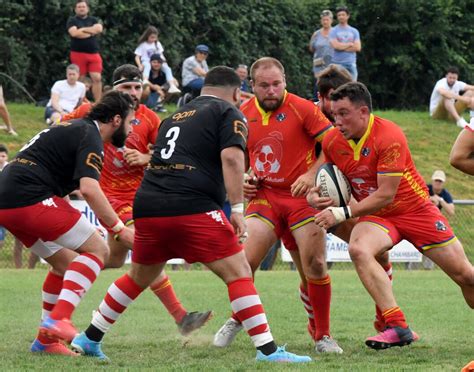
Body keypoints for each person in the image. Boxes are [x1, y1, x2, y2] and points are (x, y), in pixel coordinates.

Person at [70, 66, 311, 363]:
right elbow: (233, 158)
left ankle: (89, 338)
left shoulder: (174, 116)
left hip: (147, 203)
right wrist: (237, 208)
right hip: (191, 205)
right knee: (239, 272)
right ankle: (269, 351)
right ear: (237, 93)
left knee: (138, 276)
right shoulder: (227, 111)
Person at [310, 82, 474, 350]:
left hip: (415, 210)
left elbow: (386, 194)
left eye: (343, 114)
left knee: (466, 277)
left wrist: (343, 212)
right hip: (380, 216)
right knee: (359, 248)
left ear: (363, 112)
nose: (336, 121)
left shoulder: (388, 135)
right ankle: (397, 325)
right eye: (334, 114)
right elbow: (319, 180)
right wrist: (314, 197)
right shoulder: (332, 140)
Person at [62, 64, 211, 348]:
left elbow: (167, 154)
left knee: (114, 260)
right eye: (125, 88)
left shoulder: (150, 118)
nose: (132, 93)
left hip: (144, 196)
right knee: (145, 250)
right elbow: (61, 130)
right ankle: (180, 316)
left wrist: (145, 157)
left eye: (136, 87)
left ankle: (66, 266)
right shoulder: (93, 112)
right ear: (112, 89)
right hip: (111, 199)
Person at [213, 57, 343, 354]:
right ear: (252, 86)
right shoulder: (241, 114)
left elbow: (334, 145)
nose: (271, 90)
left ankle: (323, 336)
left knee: (316, 266)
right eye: (264, 85)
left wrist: (312, 175)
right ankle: (238, 318)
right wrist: (245, 177)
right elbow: (237, 158)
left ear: (285, 82)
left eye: (276, 84)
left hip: (301, 199)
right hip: (266, 197)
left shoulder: (303, 108)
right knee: (244, 262)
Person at [0, 91, 136, 355]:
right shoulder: (91, 135)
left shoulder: (76, 128)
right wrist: (119, 229)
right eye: (131, 123)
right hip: (28, 197)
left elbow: (53, 174)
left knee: (66, 265)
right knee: (98, 249)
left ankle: (46, 341)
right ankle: (59, 318)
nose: (131, 131)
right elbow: (89, 190)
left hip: (8, 200)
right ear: (117, 120)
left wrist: (69, 221)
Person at [67, 0, 103, 102]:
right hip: (78, 53)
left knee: (97, 78)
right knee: (80, 79)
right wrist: (91, 31)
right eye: (79, 7)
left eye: (83, 6)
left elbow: (99, 29)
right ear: (75, 9)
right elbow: (74, 33)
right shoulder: (72, 21)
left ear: (87, 8)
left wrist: (82, 30)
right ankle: (80, 102)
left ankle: (98, 103)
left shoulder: (94, 19)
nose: (81, 8)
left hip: (93, 53)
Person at [134, 26, 180, 93]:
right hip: (146, 61)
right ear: (147, 36)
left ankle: (172, 85)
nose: (153, 39)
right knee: (147, 66)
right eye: (152, 37)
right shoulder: (143, 45)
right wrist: (140, 65)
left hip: (157, 61)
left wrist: (164, 61)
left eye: (155, 37)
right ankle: (145, 80)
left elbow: (161, 54)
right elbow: (137, 56)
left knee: (167, 68)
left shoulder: (157, 44)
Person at [329, 6, 361, 81]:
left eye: (343, 15)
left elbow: (357, 48)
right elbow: (335, 46)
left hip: (351, 64)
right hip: (337, 64)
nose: (341, 17)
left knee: (353, 87)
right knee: (337, 87)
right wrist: (350, 44)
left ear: (348, 16)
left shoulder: (354, 31)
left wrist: (341, 47)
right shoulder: (333, 30)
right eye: (339, 15)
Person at [309, 9, 334, 96]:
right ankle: (316, 104)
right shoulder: (316, 34)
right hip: (319, 64)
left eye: (327, 19)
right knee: (319, 84)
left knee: (333, 85)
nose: (325, 21)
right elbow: (311, 48)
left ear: (331, 20)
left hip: (332, 63)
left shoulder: (336, 33)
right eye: (323, 20)